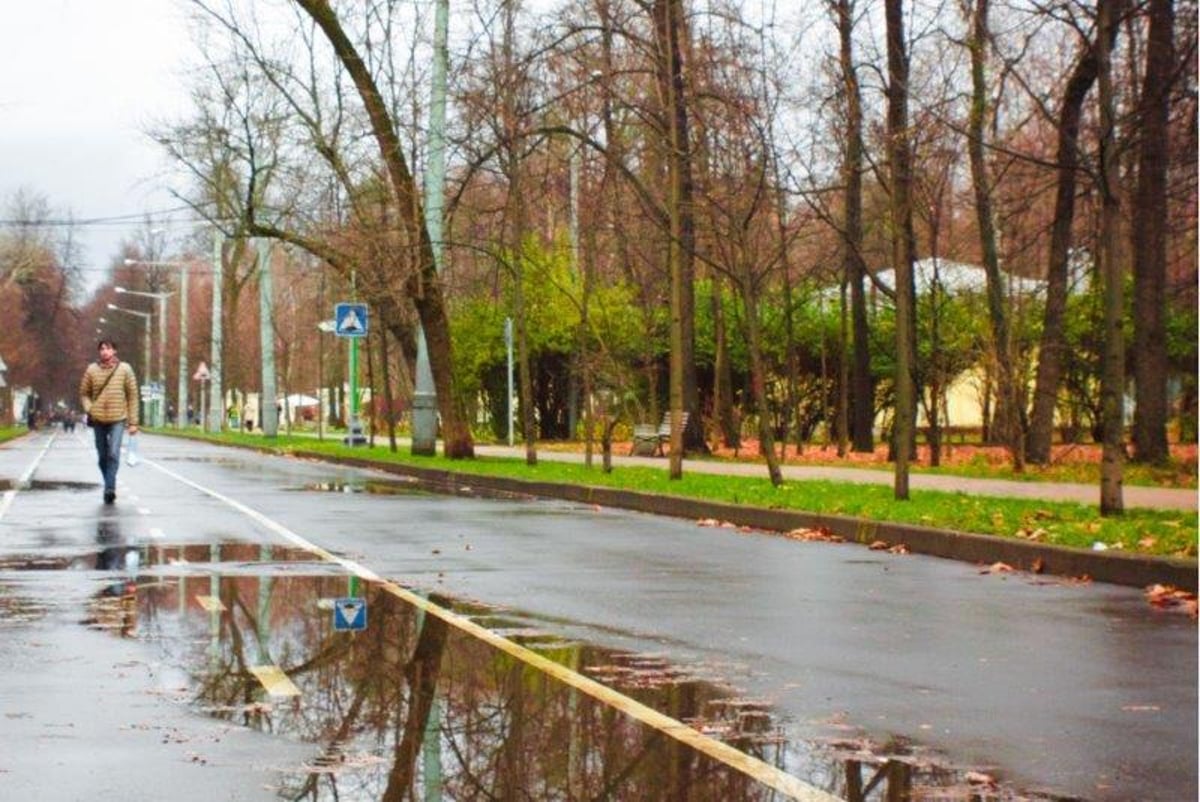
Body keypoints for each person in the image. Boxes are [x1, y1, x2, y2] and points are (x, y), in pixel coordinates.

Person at [79, 339, 139, 504]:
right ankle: (109, 483)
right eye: (102, 349)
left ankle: (109, 488)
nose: (104, 351)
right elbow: (84, 393)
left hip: (118, 419)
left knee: (113, 453)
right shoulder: (91, 370)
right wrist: (90, 409)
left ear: (114, 351)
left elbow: (132, 395)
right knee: (102, 456)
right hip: (98, 419)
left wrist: (133, 422)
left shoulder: (125, 369)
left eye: (108, 348)